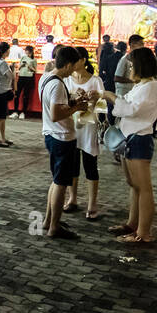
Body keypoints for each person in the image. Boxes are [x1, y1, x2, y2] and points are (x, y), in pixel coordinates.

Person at [99, 47, 157, 242]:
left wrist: (109, 96)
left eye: (132, 65)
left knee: (143, 188)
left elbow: (131, 109)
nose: (130, 69)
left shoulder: (151, 86)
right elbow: (126, 103)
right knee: (133, 185)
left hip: (139, 138)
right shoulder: (141, 85)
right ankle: (132, 223)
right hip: (129, 138)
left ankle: (143, 234)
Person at [40, 45, 90, 240]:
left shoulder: (46, 77)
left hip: (51, 135)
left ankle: (48, 220)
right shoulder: (58, 84)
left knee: (56, 181)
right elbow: (55, 114)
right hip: (61, 136)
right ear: (68, 65)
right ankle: (54, 227)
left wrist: (70, 102)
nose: (74, 70)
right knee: (61, 183)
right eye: (74, 65)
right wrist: (76, 107)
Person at [65, 52, 105, 220]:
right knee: (72, 166)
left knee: (90, 165)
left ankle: (92, 204)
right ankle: (72, 199)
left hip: (88, 128)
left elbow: (103, 109)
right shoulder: (66, 80)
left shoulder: (96, 81)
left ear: (82, 60)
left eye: (75, 60)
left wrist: (95, 101)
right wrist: (74, 99)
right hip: (71, 127)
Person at [0, 42, 15, 147]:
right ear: (6, 51)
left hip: (1, 91)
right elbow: (10, 76)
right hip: (0, 92)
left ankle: (3, 138)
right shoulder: (2, 63)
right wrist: (12, 70)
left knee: (3, 117)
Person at [114, 35, 144, 100]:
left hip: (132, 93)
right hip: (123, 94)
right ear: (132, 45)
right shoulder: (125, 60)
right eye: (141, 44)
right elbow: (116, 78)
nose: (143, 46)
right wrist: (133, 80)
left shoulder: (137, 59)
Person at [16, 44, 36, 118]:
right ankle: (15, 111)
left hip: (29, 78)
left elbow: (35, 70)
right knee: (17, 94)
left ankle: (23, 112)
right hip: (21, 76)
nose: (27, 53)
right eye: (26, 52)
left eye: (28, 52)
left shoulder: (33, 59)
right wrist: (21, 66)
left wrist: (29, 67)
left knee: (25, 95)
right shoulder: (23, 57)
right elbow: (19, 67)